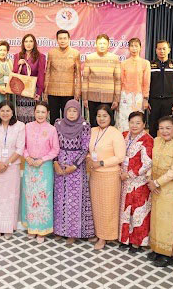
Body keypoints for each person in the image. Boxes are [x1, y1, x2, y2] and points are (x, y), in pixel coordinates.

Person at [147, 116, 173, 267]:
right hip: (154, 186)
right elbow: (149, 161)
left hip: (170, 188)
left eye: (168, 128)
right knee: (157, 220)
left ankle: (169, 255)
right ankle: (157, 249)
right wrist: (150, 180)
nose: (164, 131)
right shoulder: (156, 141)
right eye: (161, 128)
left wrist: (157, 183)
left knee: (170, 222)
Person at [53, 99, 94, 244]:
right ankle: (60, 230)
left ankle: (72, 232)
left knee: (74, 200)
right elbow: (54, 145)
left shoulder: (84, 126)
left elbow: (85, 149)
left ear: (79, 112)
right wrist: (55, 163)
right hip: (60, 165)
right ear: (64, 111)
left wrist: (74, 166)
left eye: (74, 111)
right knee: (60, 199)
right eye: (69, 111)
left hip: (76, 168)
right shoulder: (58, 124)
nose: (71, 114)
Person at [86, 104, 126, 250]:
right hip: (95, 175)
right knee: (96, 206)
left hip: (110, 175)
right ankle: (98, 232)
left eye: (105, 116)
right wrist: (89, 159)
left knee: (108, 207)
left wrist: (101, 163)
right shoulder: (92, 131)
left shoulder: (115, 133)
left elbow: (120, 157)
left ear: (110, 117)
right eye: (99, 116)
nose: (101, 119)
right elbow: (88, 150)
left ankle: (104, 236)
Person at [0, 100, 25, 239]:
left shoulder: (20, 126)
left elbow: (20, 148)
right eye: (2, 110)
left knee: (10, 198)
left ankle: (8, 227)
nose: (5, 113)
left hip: (11, 168)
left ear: (13, 112)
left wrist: (6, 164)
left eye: (8, 110)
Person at [22, 102, 60, 244]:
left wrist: (42, 160)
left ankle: (42, 229)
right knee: (30, 197)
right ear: (34, 112)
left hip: (44, 167)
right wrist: (27, 157)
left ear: (48, 113)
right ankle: (32, 227)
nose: (40, 115)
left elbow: (55, 150)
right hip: (30, 166)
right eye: (38, 112)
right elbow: (22, 145)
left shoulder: (52, 129)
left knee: (43, 197)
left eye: (43, 112)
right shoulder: (27, 127)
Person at [119, 111, 154, 253]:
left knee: (138, 211)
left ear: (144, 124)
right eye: (132, 122)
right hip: (124, 179)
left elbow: (147, 163)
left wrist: (130, 174)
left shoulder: (147, 139)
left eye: (138, 123)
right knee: (126, 210)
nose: (134, 125)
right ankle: (125, 239)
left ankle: (137, 242)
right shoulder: (124, 135)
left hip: (139, 181)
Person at [83, 34, 121, 128]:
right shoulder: (90, 58)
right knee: (94, 123)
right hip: (92, 97)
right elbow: (85, 79)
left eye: (104, 43)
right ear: (96, 44)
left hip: (109, 97)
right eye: (100, 43)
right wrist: (85, 98)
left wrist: (116, 99)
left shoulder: (114, 58)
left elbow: (117, 80)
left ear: (108, 45)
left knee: (108, 124)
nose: (102, 45)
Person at [45, 30, 82, 125]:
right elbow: (47, 72)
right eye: (60, 38)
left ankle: (68, 134)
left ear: (69, 39)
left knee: (69, 118)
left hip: (69, 92)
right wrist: (45, 91)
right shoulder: (51, 53)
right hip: (53, 92)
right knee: (54, 119)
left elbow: (78, 75)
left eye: (65, 38)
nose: (62, 41)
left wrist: (77, 92)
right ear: (57, 40)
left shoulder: (75, 53)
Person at [148, 41, 173, 137]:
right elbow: (146, 83)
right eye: (159, 49)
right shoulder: (150, 65)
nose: (162, 51)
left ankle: (166, 144)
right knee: (153, 125)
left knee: (167, 125)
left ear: (169, 50)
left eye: (164, 49)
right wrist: (146, 100)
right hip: (153, 101)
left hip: (169, 101)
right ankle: (152, 144)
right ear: (156, 50)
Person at [116, 38, 151, 132]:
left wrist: (145, 99)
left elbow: (146, 82)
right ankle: (123, 139)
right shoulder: (123, 63)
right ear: (128, 48)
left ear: (140, 48)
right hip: (125, 96)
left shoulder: (145, 63)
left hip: (138, 97)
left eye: (136, 46)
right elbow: (120, 82)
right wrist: (117, 99)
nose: (134, 48)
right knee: (124, 121)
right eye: (132, 46)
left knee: (137, 120)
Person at [13, 34, 47, 123]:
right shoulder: (17, 56)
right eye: (26, 41)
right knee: (21, 116)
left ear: (34, 43)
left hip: (33, 90)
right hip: (21, 90)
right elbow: (15, 73)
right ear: (23, 43)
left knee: (33, 115)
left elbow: (41, 75)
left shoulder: (41, 56)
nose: (28, 44)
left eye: (31, 41)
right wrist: (18, 64)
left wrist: (39, 92)